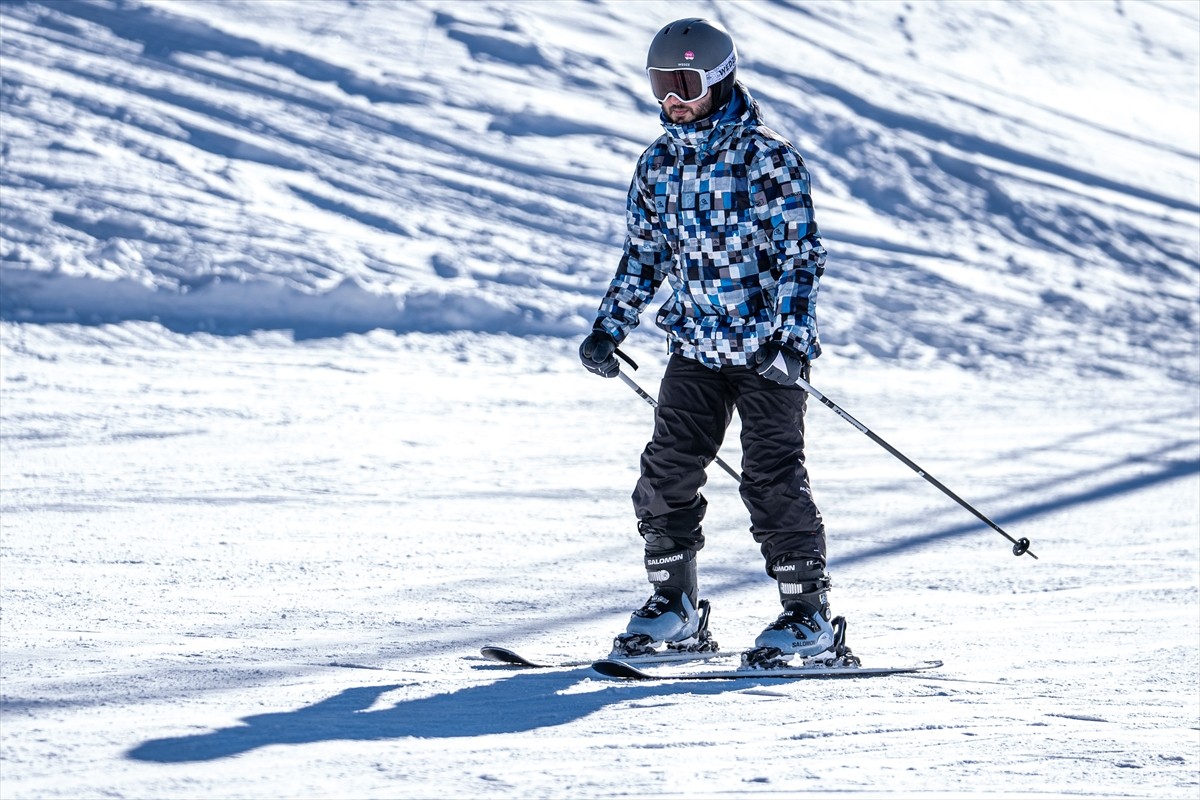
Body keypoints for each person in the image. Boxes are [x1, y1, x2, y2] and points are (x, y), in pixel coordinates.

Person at [579, 18, 836, 662]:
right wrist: (609, 328)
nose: (671, 99)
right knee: (666, 471)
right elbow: (645, 257)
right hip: (694, 348)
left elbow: (800, 258)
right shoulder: (657, 163)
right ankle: (677, 606)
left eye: (683, 83)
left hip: (764, 353)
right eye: (660, 84)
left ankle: (806, 614)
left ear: (719, 80)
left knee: (771, 477)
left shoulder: (769, 157)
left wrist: (793, 341)